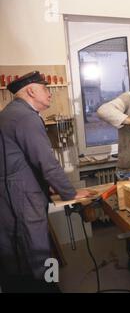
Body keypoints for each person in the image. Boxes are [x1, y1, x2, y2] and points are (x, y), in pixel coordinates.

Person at [0, 71, 93, 293]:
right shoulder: (26, 117)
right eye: (45, 89)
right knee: (37, 248)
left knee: (15, 249)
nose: (49, 94)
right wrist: (70, 193)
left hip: (12, 191)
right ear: (31, 91)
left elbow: (22, 159)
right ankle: (47, 288)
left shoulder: (11, 113)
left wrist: (48, 183)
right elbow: (46, 162)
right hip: (22, 195)